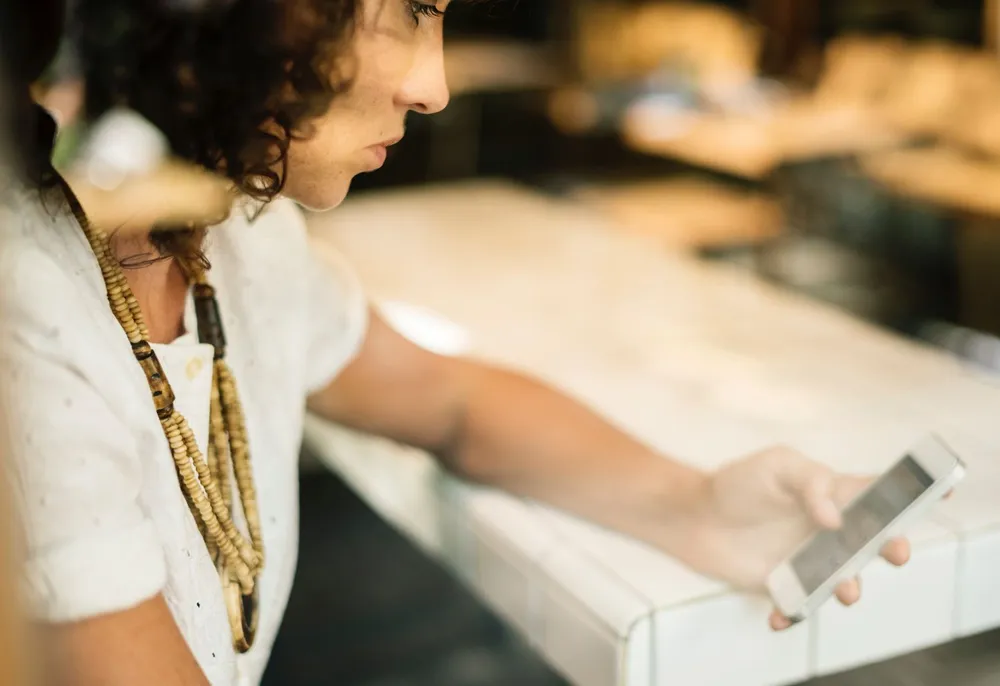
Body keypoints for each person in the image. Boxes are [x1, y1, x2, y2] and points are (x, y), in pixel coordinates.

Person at [1, 1, 911, 685]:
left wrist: (700, 506)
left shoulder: (242, 229)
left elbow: (451, 402)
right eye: (408, 11)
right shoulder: (28, 317)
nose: (433, 85)